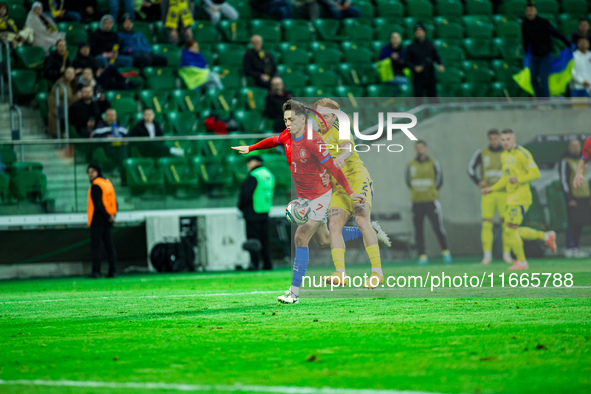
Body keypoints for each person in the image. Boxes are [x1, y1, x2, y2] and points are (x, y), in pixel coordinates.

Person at [231, 99, 367, 304]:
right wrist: (251, 148)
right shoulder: (287, 135)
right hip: (304, 197)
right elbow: (272, 140)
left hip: (321, 195)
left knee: (300, 237)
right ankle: (365, 230)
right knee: (323, 240)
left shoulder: (313, 141)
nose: (287, 123)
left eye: (291, 119)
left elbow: (333, 168)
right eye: (285, 119)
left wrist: (350, 193)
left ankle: (293, 293)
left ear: (303, 119)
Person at [313, 98, 391, 289]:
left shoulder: (341, 130)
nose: (321, 120)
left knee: (361, 220)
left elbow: (347, 149)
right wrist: (323, 177)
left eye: (326, 116)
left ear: (334, 117)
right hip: (338, 186)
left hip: (357, 180)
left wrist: (341, 156)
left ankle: (377, 273)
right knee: (334, 225)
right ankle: (340, 273)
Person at [481, 129, 556, 270]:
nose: (505, 142)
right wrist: (491, 189)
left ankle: (522, 261)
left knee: (510, 229)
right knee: (512, 230)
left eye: (508, 139)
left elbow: (535, 173)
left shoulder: (523, 153)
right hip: (511, 198)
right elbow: (506, 178)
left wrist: (519, 179)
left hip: (521, 198)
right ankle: (546, 237)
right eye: (503, 140)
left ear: (514, 139)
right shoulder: (504, 155)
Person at [467, 129, 512, 265]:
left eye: (496, 138)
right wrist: (478, 181)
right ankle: (487, 255)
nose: (494, 141)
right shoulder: (481, 152)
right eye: (491, 139)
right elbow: (470, 168)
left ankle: (507, 254)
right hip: (488, 193)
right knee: (487, 224)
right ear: (488, 139)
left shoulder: (507, 152)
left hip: (504, 192)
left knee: (507, 225)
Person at [405, 140, 451, 265]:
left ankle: (446, 252)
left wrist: (431, 192)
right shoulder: (411, 164)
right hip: (416, 202)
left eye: (421, 147)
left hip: (431, 201)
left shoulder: (433, 162)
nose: (419, 150)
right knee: (418, 230)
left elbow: (440, 179)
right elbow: (408, 181)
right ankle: (422, 256)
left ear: (426, 148)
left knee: (437, 227)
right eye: (417, 148)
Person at [521, 2, 571, 98]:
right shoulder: (524, 23)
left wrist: (567, 43)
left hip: (545, 55)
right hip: (534, 55)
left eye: (531, 10)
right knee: (533, 79)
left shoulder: (543, 22)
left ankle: (547, 101)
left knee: (543, 78)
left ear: (536, 11)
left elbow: (556, 33)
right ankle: (540, 99)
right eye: (527, 11)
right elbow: (525, 39)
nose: (529, 12)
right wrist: (525, 52)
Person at [238, 155, 275, 271]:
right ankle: (267, 263)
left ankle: (254, 263)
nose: (248, 165)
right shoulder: (269, 175)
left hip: (252, 211)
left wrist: (240, 206)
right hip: (265, 210)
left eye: (249, 162)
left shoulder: (254, 176)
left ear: (254, 162)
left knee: (253, 240)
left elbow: (246, 194)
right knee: (264, 239)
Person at [559, 140, 590, 258]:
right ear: (569, 148)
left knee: (580, 223)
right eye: (573, 146)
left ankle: (576, 247)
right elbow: (564, 180)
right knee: (572, 223)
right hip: (574, 198)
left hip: (585, 197)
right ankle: (569, 247)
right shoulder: (565, 161)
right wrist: (569, 198)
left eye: (577, 146)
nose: (575, 148)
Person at [87, 163, 118, 278]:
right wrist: (112, 216)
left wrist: (106, 215)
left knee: (96, 247)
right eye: (89, 173)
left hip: (98, 220)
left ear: (97, 172)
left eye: (92, 172)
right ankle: (113, 271)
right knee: (110, 247)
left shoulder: (96, 185)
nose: (90, 175)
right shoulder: (107, 184)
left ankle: (96, 271)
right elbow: (114, 201)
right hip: (109, 220)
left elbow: (98, 204)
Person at [405, 23, 444, 98]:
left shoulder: (431, 45)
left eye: (421, 31)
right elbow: (407, 61)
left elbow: (436, 57)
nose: (419, 33)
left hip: (430, 75)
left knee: (432, 97)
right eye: (417, 31)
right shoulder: (411, 46)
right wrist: (415, 67)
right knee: (418, 98)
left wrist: (440, 64)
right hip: (418, 77)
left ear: (424, 32)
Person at [47, 66, 78, 137]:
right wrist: (77, 97)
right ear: (64, 74)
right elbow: (65, 97)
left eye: (72, 73)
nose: (70, 75)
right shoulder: (60, 83)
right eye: (68, 73)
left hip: (66, 105)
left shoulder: (72, 83)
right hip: (58, 105)